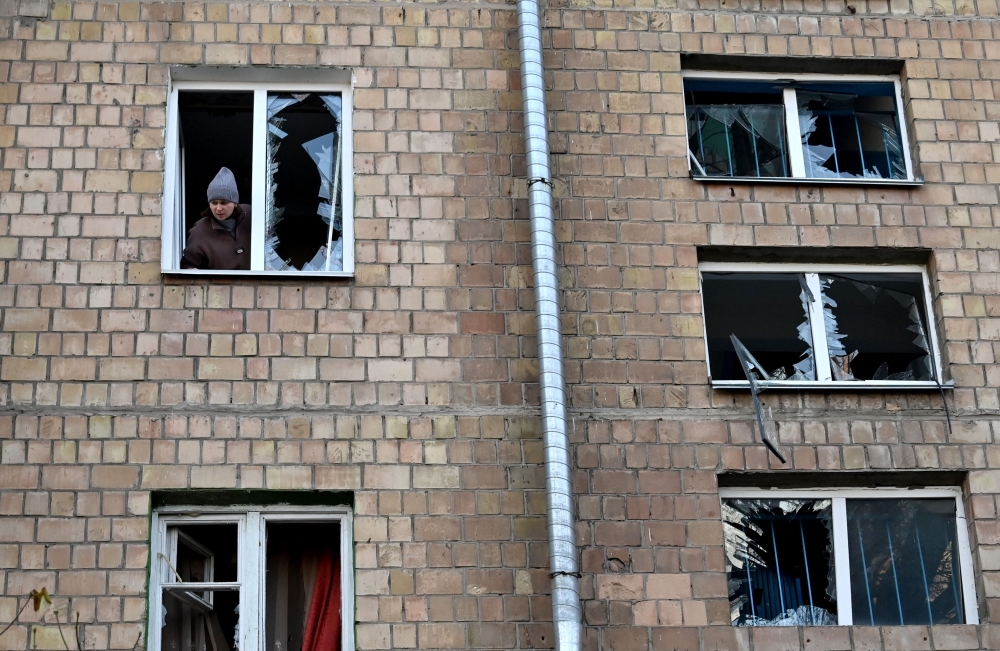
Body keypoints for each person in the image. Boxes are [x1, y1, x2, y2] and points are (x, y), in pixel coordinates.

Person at [180, 167, 252, 270]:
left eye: (223, 202)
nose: (218, 208)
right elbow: (187, 265)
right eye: (214, 203)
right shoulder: (200, 231)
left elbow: (272, 244)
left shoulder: (250, 215)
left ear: (235, 203)